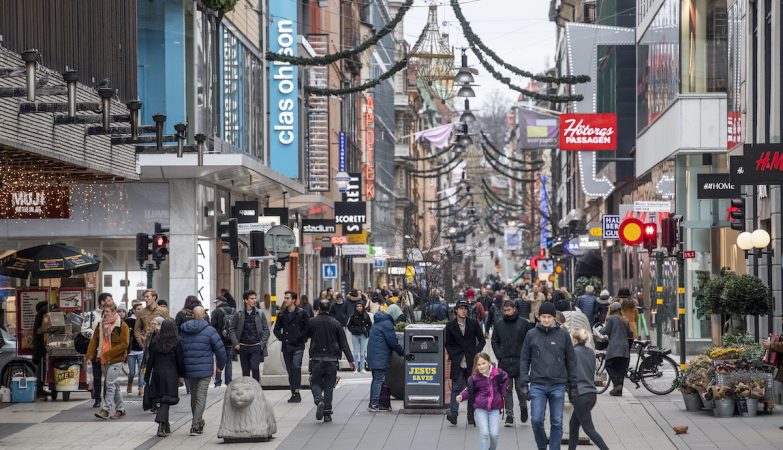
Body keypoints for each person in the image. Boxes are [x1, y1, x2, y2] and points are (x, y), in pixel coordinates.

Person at [519, 301, 577, 450]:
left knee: (557, 422)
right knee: (536, 420)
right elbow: (524, 359)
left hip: (558, 384)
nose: (546, 320)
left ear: (554, 318)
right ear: (539, 317)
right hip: (537, 384)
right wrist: (524, 383)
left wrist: (573, 386)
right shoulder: (531, 334)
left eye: (549, 317)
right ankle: (542, 446)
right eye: (543, 316)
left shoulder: (563, 335)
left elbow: (571, 361)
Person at [180, 306, 226, 436]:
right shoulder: (210, 330)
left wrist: (181, 369)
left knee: (194, 397)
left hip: (189, 369)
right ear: (204, 315)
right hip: (205, 370)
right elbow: (220, 350)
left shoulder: (184, 330)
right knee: (201, 397)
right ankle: (195, 426)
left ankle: (198, 422)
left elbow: (179, 349)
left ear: (193, 315)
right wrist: (221, 366)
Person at [307, 298, 355, 422]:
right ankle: (327, 413)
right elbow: (344, 343)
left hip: (316, 358)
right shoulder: (336, 323)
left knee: (314, 382)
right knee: (329, 386)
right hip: (332, 359)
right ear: (329, 309)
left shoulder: (312, 322)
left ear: (318, 309)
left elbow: (304, 336)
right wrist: (351, 360)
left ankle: (319, 400)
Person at [445, 299, 486, 425]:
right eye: (461, 308)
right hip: (458, 361)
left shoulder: (473, 323)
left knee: (472, 388)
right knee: (456, 388)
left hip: (471, 362)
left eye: (465, 308)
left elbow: (482, 340)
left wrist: (476, 354)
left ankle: (470, 416)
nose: (464, 311)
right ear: (456, 310)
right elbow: (448, 343)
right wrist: (453, 354)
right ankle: (453, 414)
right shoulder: (450, 325)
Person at [456, 353, 509, 450]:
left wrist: (503, 392)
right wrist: (461, 396)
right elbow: (469, 390)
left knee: (494, 434)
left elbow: (506, 378)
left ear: (489, 362)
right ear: (476, 366)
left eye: (483, 363)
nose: (481, 366)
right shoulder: (475, 378)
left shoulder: (498, 373)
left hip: (495, 408)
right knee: (484, 433)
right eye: (479, 364)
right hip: (480, 408)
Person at [87, 302, 130, 420]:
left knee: (109, 384)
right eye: (103, 311)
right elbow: (94, 341)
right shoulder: (100, 324)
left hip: (116, 359)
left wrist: (109, 353)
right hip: (103, 358)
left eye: (107, 311)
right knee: (114, 385)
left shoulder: (122, 325)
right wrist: (90, 355)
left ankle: (105, 409)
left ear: (114, 312)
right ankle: (120, 409)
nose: (105, 314)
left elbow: (124, 344)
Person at [568, 328, 609, 450]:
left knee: (589, 429)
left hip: (580, 394)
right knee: (573, 425)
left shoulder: (573, 353)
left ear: (575, 340)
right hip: (591, 394)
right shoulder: (591, 352)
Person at [491, 299, 530, 426]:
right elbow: (494, 340)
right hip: (504, 361)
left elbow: (529, 341)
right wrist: (499, 355)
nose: (507, 312)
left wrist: (526, 357)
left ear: (514, 309)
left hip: (520, 361)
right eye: (505, 310)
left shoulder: (524, 324)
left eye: (509, 310)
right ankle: (509, 415)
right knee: (507, 390)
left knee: (521, 389)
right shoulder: (499, 324)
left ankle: (523, 407)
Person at [143, 319, 185, 438]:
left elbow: (150, 360)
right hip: (171, 374)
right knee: (166, 400)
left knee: (162, 399)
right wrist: (182, 375)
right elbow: (180, 360)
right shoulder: (177, 341)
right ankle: (161, 424)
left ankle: (166, 426)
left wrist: (147, 375)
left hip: (157, 373)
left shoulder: (156, 340)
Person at [273, 291, 310, 403]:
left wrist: (301, 337)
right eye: (285, 298)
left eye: (288, 298)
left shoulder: (302, 313)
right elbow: (276, 329)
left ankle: (297, 392)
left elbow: (307, 328)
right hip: (287, 345)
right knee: (290, 370)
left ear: (294, 300)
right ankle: (293, 392)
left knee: (296, 367)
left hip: (298, 345)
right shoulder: (281, 314)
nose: (285, 300)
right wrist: (282, 337)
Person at [366, 306, 404, 411]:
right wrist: (402, 352)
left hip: (374, 354)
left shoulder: (378, 322)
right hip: (380, 356)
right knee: (379, 379)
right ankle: (374, 404)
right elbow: (393, 341)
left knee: (376, 379)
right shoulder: (387, 324)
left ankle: (373, 402)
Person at [229, 290, 270, 382]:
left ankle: (256, 391)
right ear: (246, 300)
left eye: (255, 298)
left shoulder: (260, 313)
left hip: (256, 346)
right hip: (243, 347)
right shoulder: (238, 314)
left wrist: (261, 344)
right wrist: (236, 343)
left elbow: (266, 330)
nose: (254, 300)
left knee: (255, 368)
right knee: (245, 372)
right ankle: (247, 391)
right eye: (252, 298)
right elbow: (232, 329)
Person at [601, 302, 632, 396]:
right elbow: (630, 334)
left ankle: (617, 385)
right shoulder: (625, 320)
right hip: (624, 347)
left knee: (609, 365)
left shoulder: (610, 318)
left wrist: (599, 329)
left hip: (614, 346)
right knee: (621, 369)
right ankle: (618, 390)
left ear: (612, 310)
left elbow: (605, 331)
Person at [210, 295, 235, 387]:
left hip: (219, 341)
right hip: (230, 341)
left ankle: (218, 381)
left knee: (219, 360)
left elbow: (212, 327)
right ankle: (228, 381)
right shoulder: (233, 311)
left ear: (220, 302)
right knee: (229, 361)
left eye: (216, 302)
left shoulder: (216, 312)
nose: (216, 304)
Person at [125, 302, 145, 396]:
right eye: (138, 309)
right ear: (133, 310)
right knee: (132, 372)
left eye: (141, 309)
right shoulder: (128, 321)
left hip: (141, 350)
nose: (140, 311)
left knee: (142, 370)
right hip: (131, 351)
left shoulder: (144, 320)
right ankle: (129, 384)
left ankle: (141, 388)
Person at [346, 302, 372, 374]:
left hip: (363, 335)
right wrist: (353, 330)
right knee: (356, 353)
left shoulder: (366, 315)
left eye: (360, 306)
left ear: (363, 307)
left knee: (362, 353)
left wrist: (366, 329)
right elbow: (349, 325)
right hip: (355, 335)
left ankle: (362, 368)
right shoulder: (353, 316)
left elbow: (370, 324)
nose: (359, 307)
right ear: (355, 307)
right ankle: (356, 368)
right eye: (357, 306)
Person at [32, 301, 48, 398]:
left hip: (39, 343)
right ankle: (39, 388)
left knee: (41, 366)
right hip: (40, 344)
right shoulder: (43, 312)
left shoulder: (39, 314)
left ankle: (40, 387)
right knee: (41, 366)